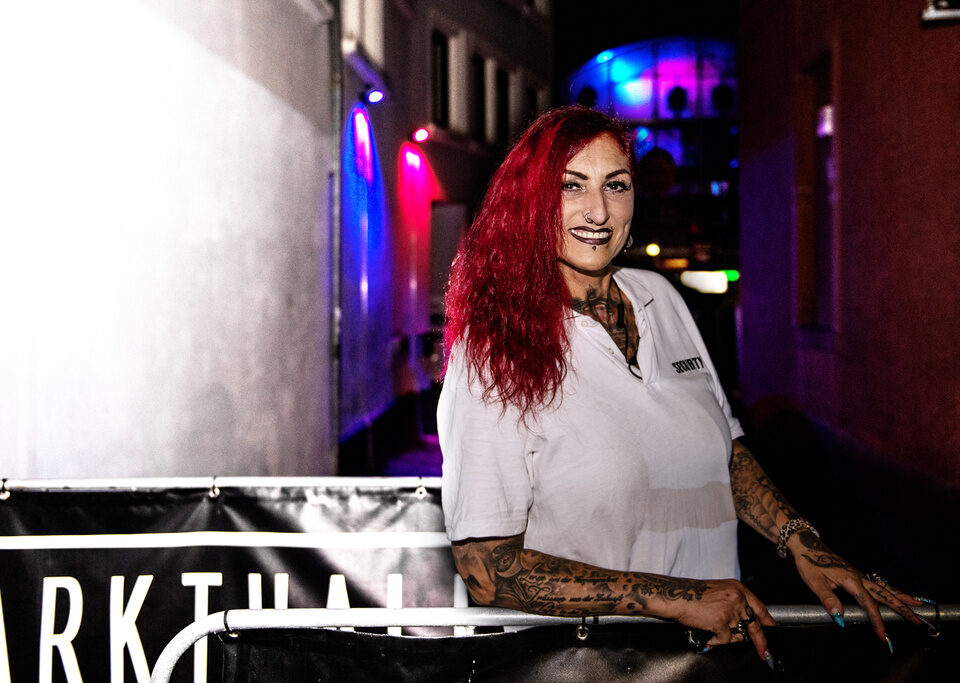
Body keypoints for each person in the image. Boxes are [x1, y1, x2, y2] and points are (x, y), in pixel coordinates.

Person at [438, 106, 923, 666]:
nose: (598, 211)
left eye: (616, 185)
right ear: (528, 201)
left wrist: (803, 543)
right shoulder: (493, 349)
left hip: (719, 655)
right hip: (594, 666)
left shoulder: (659, 298)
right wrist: (679, 599)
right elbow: (486, 571)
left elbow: (725, 453)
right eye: (571, 186)